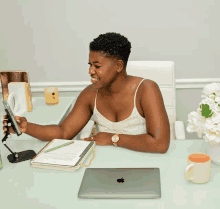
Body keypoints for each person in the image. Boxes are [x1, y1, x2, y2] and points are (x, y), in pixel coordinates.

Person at [2, 32, 170, 153]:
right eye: (89, 64)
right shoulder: (90, 94)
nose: (90, 71)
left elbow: (160, 144)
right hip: (102, 164)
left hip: (145, 162)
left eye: (97, 66)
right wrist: (26, 127)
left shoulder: (146, 89)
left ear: (118, 66)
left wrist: (113, 138)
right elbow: (63, 132)